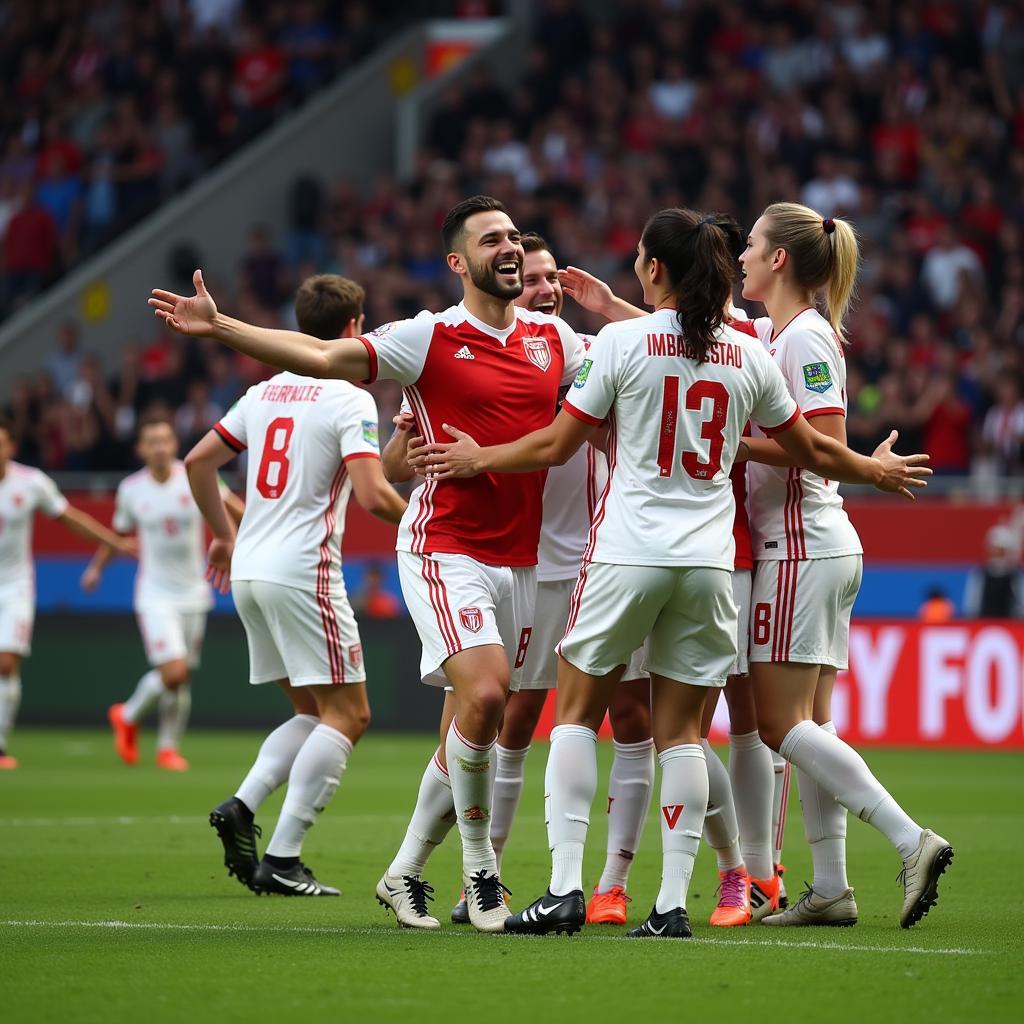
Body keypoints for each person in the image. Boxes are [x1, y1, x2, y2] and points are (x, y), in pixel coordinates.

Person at [414, 207, 931, 938]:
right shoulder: (746, 352)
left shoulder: (620, 342)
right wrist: (873, 473)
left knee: (575, 714)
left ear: (655, 270)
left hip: (627, 554)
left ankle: (566, 888)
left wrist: (478, 458)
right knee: (684, 734)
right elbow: (812, 449)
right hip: (711, 564)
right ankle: (669, 906)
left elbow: (557, 445)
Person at [148, 196, 586, 931]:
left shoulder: (556, 340)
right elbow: (325, 357)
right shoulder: (428, 336)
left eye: (513, 237)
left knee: (476, 722)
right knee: (485, 698)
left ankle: (404, 872)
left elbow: (639, 360)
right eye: (491, 241)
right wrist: (220, 325)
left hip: (525, 561)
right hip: (443, 543)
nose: (509, 249)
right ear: (459, 263)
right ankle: (483, 876)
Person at [383, 233, 655, 929]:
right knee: (499, 720)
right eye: (531, 279)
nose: (543, 288)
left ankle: (434, 873)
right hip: (507, 559)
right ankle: (487, 877)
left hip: (579, 564)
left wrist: (610, 304)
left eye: (551, 281)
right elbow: (396, 463)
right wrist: (405, 443)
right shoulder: (461, 353)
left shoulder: (568, 353)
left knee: (619, 719)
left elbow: (669, 341)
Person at [738, 201, 953, 928]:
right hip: (815, 543)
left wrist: (730, 441)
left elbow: (822, 442)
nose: (739, 257)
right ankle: (830, 886)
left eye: (751, 246)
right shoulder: (778, 332)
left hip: (800, 543)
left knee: (776, 726)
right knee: (813, 726)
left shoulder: (805, 339)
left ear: (779, 261)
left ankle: (908, 837)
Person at [185, 274, 407, 896]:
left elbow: (198, 462)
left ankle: (243, 807)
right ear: (355, 329)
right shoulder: (349, 399)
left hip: (252, 570)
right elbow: (370, 493)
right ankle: (283, 856)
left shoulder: (264, 393)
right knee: (351, 713)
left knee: (315, 712)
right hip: (304, 571)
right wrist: (421, 514)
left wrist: (227, 532)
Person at [83, 417, 243, 771]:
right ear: (140, 448)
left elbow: (233, 509)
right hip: (154, 593)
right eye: (151, 441)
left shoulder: (197, 474)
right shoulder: (131, 489)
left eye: (165, 440)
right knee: (174, 672)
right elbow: (118, 534)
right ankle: (127, 715)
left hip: (194, 591)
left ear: (174, 444)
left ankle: (168, 747)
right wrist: (97, 568)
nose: (159, 447)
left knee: (182, 677)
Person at [0, 415, 135, 769]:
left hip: (14, 586)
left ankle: (0, 744)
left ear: (11, 447)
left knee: (6, 663)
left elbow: (71, 518)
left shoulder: (30, 483)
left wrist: (113, 542)